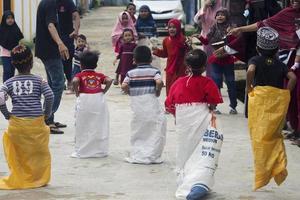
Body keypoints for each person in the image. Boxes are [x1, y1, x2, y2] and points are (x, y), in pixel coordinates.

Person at [216, 0, 300, 138]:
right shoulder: (284, 14)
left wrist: (248, 87)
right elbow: (261, 25)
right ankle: (293, 128)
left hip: (289, 62)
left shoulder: (264, 7)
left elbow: (250, 70)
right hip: (289, 63)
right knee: (291, 98)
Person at [165, 49, 223, 199]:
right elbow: (213, 103)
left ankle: (185, 180)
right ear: (204, 67)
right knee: (203, 151)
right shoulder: (208, 82)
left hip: (183, 123)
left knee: (184, 151)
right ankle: (198, 182)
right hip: (202, 121)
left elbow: (169, 105)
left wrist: (180, 115)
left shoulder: (178, 83)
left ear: (187, 65)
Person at [246, 27, 296, 190]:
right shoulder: (280, 64)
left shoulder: (255, 60)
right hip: (276, 103)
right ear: (276, 50)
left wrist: (248, 86)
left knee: (259, 137)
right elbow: (293, 77)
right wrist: (286, 93)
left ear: (258, 48)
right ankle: (277, 166)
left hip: (260, 101)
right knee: (274, 136)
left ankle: (263, 173)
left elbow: (251, 70)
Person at [0, 45, 54, 189]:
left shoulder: (9, 83)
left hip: (17, 124)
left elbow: (0, 98)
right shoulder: (39, 80)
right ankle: (38, 178)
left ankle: (22, 176)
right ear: (31, 63)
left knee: (20, 154)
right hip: (36, 122)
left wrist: (7, 114)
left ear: (13, 64)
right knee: (38, 153)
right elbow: (49, 95)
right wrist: (46, 114)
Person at [121, 46, 166, 164]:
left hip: (137, 106)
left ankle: (138, 153)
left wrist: (129, 92)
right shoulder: (155, 71)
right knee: (154, 129)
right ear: (151, 59)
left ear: (134, 60)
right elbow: (159, 82)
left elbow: (124, 85)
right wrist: (158, 91)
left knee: (138, 129)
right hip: (151, 102)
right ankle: (152, 155)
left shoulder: (130, 73)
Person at [194, 8, 237, 114]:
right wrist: (200, 37)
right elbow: (207, 41)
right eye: (218, 15)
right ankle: (214, 106)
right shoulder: (213, 28)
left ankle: (233, 106)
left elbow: (236, 42)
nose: (220, 17)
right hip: (216, 59)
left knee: (231, 83)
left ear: (227, 16)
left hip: (228, 59)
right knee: (216, 83)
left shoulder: (232, 28)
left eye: (222, 15)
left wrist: (230, 36)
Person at [35, 0, 69, 134]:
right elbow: (50, 25)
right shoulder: (49, 3)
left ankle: (49, 119)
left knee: (51, 84)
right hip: (49, 50)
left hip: (46, 49)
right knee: (59, 83)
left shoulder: (47, 3)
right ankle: (46, 119)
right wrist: (60, 43)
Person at [71, 51, 112, 158]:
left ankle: (83, 150)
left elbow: (75, 81)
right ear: (96, 65)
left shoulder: (80, 75)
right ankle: (99, 149)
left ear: (81, 65)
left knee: (83, 124)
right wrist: (104, 91)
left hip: (85, 98)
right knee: (99, 124)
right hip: (98, 98)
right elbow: (109, 80)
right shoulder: (99, 75)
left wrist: (77, 92)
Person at [153, 19, 189, 95]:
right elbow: (165, 54)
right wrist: (156, 51)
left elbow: (189, 53)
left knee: (181, 88)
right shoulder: (166, 40)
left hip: (181, 68)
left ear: (178, 28)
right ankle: (170, 105)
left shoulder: (184, 40)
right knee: (170, 89)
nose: (171, 29)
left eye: (174, 27)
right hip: (170, 69)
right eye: (170, 27)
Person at [56, 0, 80, 93]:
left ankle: (69, 80)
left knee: (67, 58)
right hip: (54, 35)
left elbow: (76, 16)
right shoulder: (50, 3)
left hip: (67, 35)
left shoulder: (68, 2)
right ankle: (59, 81)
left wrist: (76, 30)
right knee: (56, 59)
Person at [194, 0, 222, 77]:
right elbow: (196, 20)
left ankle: (217, 82)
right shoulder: (205, 7)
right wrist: (205, 7)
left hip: (218, 39)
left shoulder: (221, 6)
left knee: (217, 61)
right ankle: (210, 80)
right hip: (206, 39)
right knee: (209, 62)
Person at [0, 10, 24, 82]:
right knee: (7, 71)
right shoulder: (1, 29)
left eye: (12, 18)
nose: (10, 20)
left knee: (12, 71)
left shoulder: (16, 28)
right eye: (8, 18)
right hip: (5, 54)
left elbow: (19, 40)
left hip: (14, 53)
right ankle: (5, 87)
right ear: (4, 19)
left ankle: (11, 88)